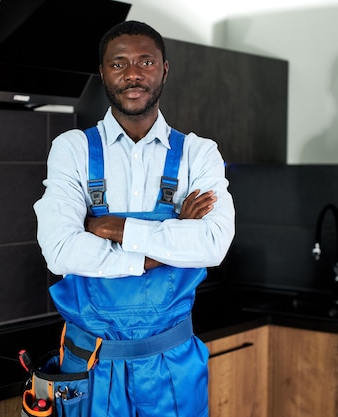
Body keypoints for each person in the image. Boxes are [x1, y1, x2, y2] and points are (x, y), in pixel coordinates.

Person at [33, 20, 235, 417]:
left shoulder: (199, 153)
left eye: (145, 61)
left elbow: (213, 245)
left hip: (172, 369)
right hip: (89, 369)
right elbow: (59, 251)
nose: (133, 74)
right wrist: (170, 240)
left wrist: (111, 228)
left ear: (164, 69)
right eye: (119, 64)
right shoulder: (72, 149)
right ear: (103, 72)